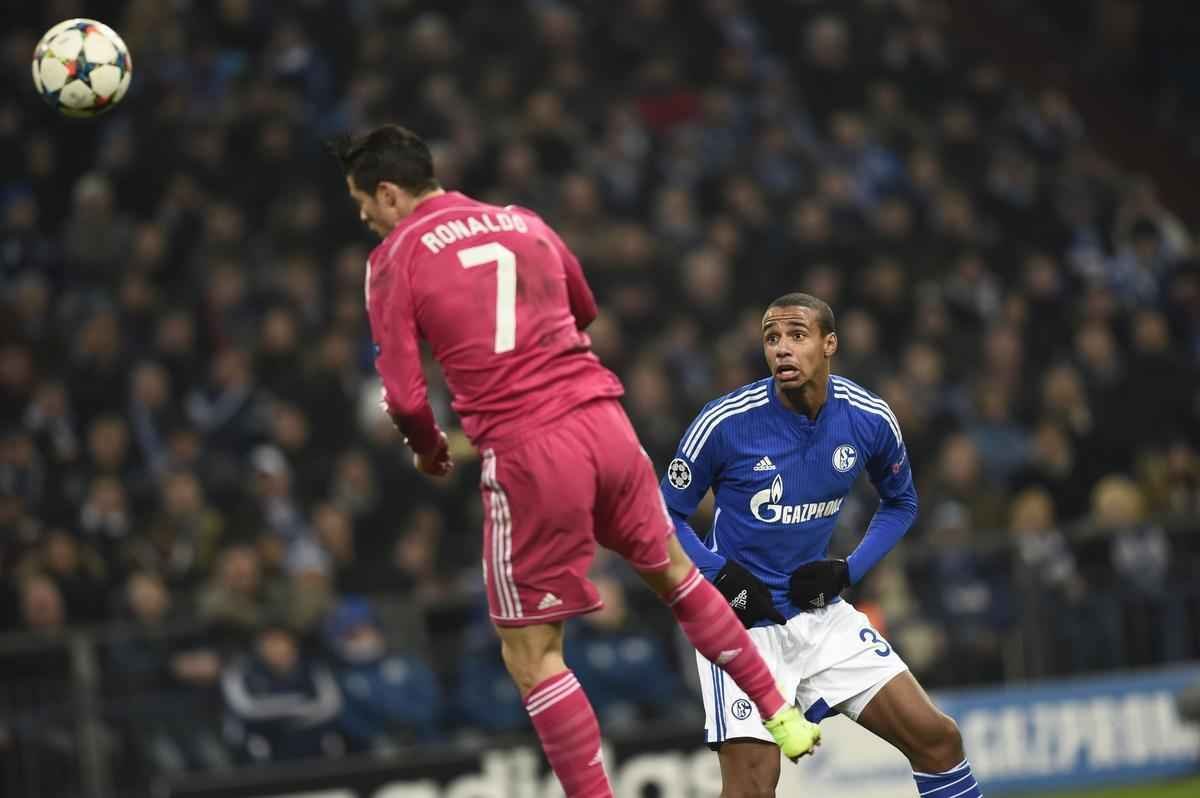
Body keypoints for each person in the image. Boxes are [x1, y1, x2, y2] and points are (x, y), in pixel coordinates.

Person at [327, 124, 819, 796]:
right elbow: (584, 308)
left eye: (365, 209)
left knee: (531, 653)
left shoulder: (396, 255)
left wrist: (430, 449)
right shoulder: (524, 221)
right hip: (604, 422)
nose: (368, 224)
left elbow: (407, 399)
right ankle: (780, 711)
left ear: (388, 193)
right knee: (677, 576)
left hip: (529, 448)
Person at [662, 293, 983, 797]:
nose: (782, 349)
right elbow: (663, 517)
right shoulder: (725, 422)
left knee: (938, 739)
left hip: (820, 615)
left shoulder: (867, 417)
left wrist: (848, 571)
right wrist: (719, 576)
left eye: (797, 336)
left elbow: (901, 502)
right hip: (742, 623)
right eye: (772, 338)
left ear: (829, 344)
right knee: (751, 788)